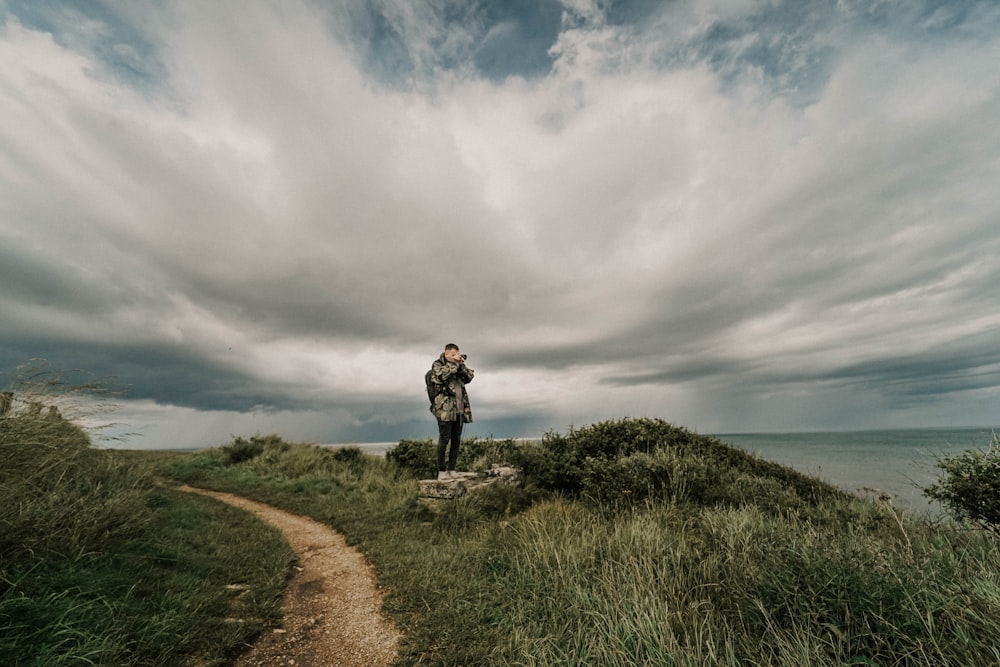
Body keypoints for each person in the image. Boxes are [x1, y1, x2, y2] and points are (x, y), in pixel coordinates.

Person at [429, 343, 474, 480]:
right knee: (444, 440)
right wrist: (454, 364)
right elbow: (442, 376)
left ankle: (452, 469)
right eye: (454, 354)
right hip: (445, 410)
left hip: (460, 409)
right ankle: (441, 471)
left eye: (458, 353)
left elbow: (469, 377)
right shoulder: (437, 365)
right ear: (447, 354)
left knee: (456, 441)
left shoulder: (458, 366)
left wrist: (461, 364)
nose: (456, 356)